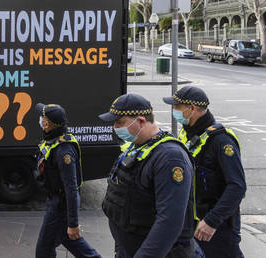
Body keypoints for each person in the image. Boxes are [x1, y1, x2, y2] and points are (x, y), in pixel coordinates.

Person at [99, 93, 203, 258]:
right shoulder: (138, 146)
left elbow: (169, 221)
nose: (115, 127)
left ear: (140, 121)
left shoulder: (170, 157)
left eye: (120, 122)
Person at [163, 86, 246, 258]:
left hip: (216, 227)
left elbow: (237, 186)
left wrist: (211, 221)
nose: (174, 111)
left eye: (177, 107)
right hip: (192, 223)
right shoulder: (187, 133)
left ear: (192, 109)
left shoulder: (221, 140)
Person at [34, 103, 101, 258]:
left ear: (46, 123)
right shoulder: (54, 140)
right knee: (69, 242)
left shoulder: (64, 151)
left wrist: (73, 223)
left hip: (60, 209)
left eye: (41, 117)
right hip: (55, 203)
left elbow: (71, 189)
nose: (39, 120)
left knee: (43, 250)